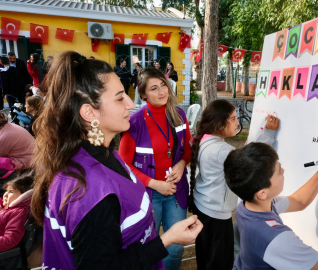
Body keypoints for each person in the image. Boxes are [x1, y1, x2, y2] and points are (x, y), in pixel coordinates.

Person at [30, 51, 202, 270]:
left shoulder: (99, 156)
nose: (131, 104)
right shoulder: (92, 192)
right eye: (120, 97)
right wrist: (167, 239)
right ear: (89, 113)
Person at [224, 143, 318, 270]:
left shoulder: (247, 206)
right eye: (278, 172)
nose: (283, 171)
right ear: (262, 193)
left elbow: (298, 201)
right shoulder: (278, 240)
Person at [188, 99, 279, 270]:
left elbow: (240, 155)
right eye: (232, 119)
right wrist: (268, 134)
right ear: (219, 123)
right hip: (215, 215)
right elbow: (251, 163)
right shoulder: (221, 151)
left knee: (206, 257)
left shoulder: (202, 140)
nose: (237, 122)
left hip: (203, 206)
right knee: (219, 262)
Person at [119, 67, 192, 270]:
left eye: (163, 85)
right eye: (154, 88)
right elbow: (124, 165)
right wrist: (154, 184)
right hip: (148, 195)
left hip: (176, 193)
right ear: (143, 94)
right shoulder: (133, 122)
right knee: (150, 248)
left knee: (176, 248)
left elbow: (187, 151)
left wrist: (181, 163)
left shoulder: (178, 114)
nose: (162, 92)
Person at [0, 175, 33, 253]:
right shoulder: (9, 207)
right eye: (6, 191)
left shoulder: (19, 213)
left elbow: (10, 239)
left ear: (24, 196)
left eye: (11, 191)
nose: (5, 194)